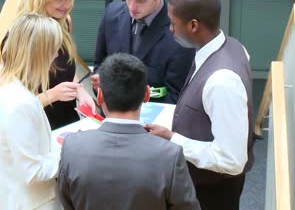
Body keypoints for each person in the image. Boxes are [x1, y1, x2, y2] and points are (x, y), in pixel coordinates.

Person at [145, 0, 255, 210]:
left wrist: (173, 139)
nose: (170, 30)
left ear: (193, 25)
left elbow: (232, 160)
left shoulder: (222, 81)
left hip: (212, 193)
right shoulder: (235, 46)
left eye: (173, 24)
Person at [58, 53, 200, 210]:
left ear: (99, 96)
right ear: (146, 95)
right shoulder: (170, 156)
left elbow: (67, 202)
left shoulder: (72, 147)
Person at [91, 0, 194, 104]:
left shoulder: (180, 35)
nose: (132, 7)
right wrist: (100, 82)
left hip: (152, 123)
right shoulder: (111, 14)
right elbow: (99, 64)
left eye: (140, 1)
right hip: (110, 118)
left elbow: (176, 97)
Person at [0, 14, 63, 209]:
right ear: (40, 53)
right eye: (53, 50)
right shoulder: (21, 104)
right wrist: (68, 154)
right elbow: (32, 172)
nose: (55, 56)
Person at [8, 0, 95, 130]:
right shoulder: (21, 36)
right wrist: (52, 95)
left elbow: (67, 67)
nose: (67, 4)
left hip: (68, 121)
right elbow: (14, 104)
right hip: (38, 126)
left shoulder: (64, 22)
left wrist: (80, 90)